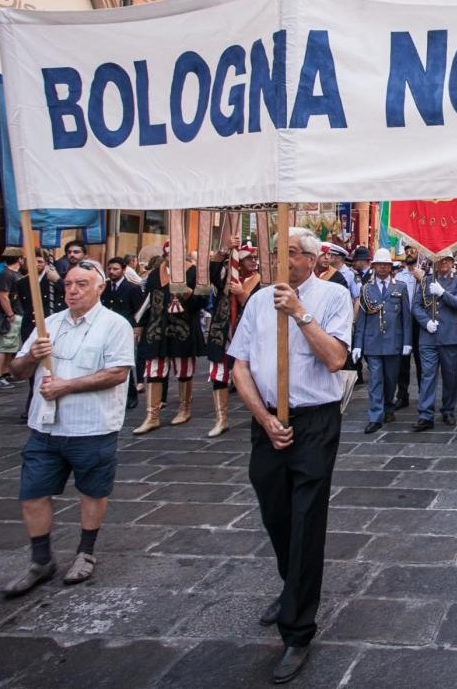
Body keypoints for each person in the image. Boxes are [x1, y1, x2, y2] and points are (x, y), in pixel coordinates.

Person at [227, 226, 352, 684]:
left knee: (305, 519)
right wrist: (263, 418)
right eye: (282, 252)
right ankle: (292, 584)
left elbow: (336, 358)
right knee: (275, 513)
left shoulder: (333, 297)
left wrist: (300, 313)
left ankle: (297, 630)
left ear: (315, 260)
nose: (288, 259)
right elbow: (239, 363)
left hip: (315, 422)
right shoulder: (259, 300)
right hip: (268, 423)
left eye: (297, 253)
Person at [2, 261, 133, 597]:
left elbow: (117, 373)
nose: (73, 290)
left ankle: (85, 551)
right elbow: (16, 369)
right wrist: (32, 354)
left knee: (92, 492)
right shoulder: (49, 325)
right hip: (45, 425)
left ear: (99, 287)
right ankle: (40, 559)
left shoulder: (114, 325)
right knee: (32, 493)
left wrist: (66, 386)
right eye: (69, 284)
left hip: (91, 425)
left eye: (82, 284)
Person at [133, 242, 204, 435]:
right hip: (157, 327)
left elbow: (202, 300)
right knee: (154, 370)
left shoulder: (193, 272)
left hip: (183, 327)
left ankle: (184, 409)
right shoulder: (156, 274)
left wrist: (189, 294)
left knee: (183, 370)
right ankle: (152, 415)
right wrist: (139, 324)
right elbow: (148, 299)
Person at [203, 238, 259, 438]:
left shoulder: (260, 280)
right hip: (222, 332)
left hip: (247, 336)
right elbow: (210, 272)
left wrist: (243, 295)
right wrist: (225, 250)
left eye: (254, 258)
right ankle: (221, 419)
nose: (253, 261)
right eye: (248, 258)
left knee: (255, 377)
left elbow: (260, 307)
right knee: (219, 375)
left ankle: (259, 416)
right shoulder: (227, 275)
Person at [353, 248, 412, 434]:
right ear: (374, 266)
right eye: (379, 265)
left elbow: (405, 318)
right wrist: (357, 345)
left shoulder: (400, 287)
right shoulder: (366, 289)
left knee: (390, 380)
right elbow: (361, 319)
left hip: (393, 342)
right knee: (375, 380)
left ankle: (389, 407)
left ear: (391, 267)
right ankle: (375, 416)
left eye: (386, 265)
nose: (383, 268)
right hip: (373, 343)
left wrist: (407, 342)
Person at [410, 251, 457, 431]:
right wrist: (425, 322)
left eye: (447, 260)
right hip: (429, 336)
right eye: (440, 260)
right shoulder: (427, 280)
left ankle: (448, 409)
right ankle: (425, 414)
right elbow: (416, 306)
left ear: (452, 262)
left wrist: (443, 293)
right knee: (427, 375)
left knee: (450, 376)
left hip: (450, 335)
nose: (443, 263)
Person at [101, 256, 145, 410]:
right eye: (110, 269)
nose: (112, 272)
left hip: (126, 329)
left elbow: (139, 310)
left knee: (125, 363)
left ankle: (130, 395)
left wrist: (138, 328)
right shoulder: (104, 287)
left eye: (116, 269)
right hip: (106, 328)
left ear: (124, 270)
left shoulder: (132, 288)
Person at [393, 246, 423, 410]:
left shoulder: (425, 274)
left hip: (419, 323)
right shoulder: (399, 276)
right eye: (407, 250)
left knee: (421, 361)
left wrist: (422, 280)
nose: (410, 253)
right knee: (402, 361)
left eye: (413, 250)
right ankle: (402, 395)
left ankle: (423, 395)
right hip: (403, 322)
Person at [0, 252, 24, 388]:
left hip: (16, 313)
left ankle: (5, 372)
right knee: (4, 346)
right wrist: (10, 314)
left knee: (11, 346)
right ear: (20, 259)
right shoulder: (7, 274)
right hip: (9, 315)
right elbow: (3, 296)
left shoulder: (13, 274)